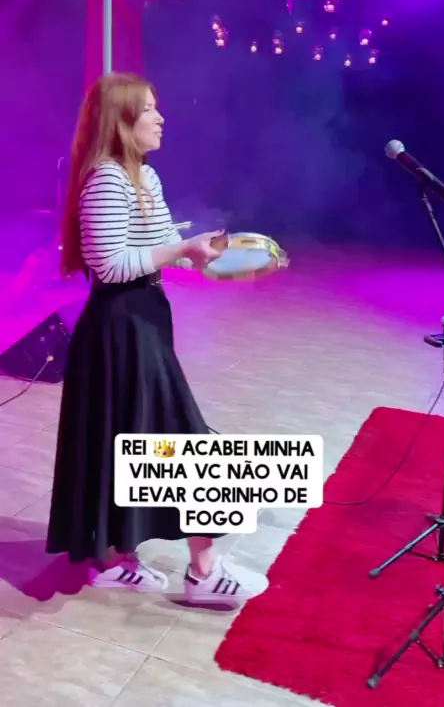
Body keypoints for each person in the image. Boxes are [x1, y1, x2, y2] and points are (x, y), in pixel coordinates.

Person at [46, 72, 268, 606]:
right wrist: (180, 249)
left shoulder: (145, 175)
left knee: (130, 436)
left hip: (145, 318)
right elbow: (110, 265)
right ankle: (202, 571)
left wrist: (207, 257)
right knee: (182, 437)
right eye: (148, 109)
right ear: (122, 121)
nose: (160, 117)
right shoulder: (106, 179)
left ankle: (114, 557)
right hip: (119, 326)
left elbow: (162, 247)